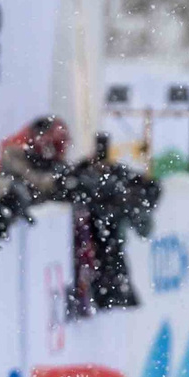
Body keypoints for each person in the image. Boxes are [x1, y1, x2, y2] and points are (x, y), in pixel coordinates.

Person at [69, 133, 162, 312]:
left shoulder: (119, 177)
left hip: (108, 253)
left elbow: (149, 204)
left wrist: (128, 200)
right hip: (90, 250)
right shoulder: (86, 175)